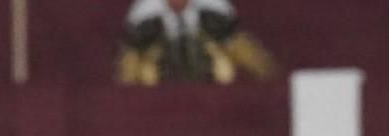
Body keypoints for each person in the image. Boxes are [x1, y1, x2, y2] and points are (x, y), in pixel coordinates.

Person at [117, 0, 276, 86]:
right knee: (132, 57)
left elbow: (234, 39)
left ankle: (271, 80)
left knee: (237, 43)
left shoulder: (214, 6)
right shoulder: (145, 13)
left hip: (210, 69)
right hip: (160, 74)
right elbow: (133, 50)